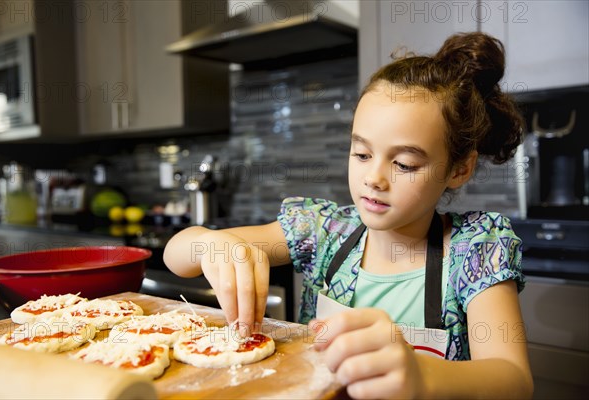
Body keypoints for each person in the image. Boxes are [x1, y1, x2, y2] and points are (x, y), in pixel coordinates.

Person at [164, 32, 533, 399]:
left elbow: (513, 380)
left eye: (404, 164)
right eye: (361, 154)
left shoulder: (477, 250)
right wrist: (208, 242)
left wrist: (422, 376)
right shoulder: (323, 231)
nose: (374, 178)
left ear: (458, 170)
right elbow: (176, 256)